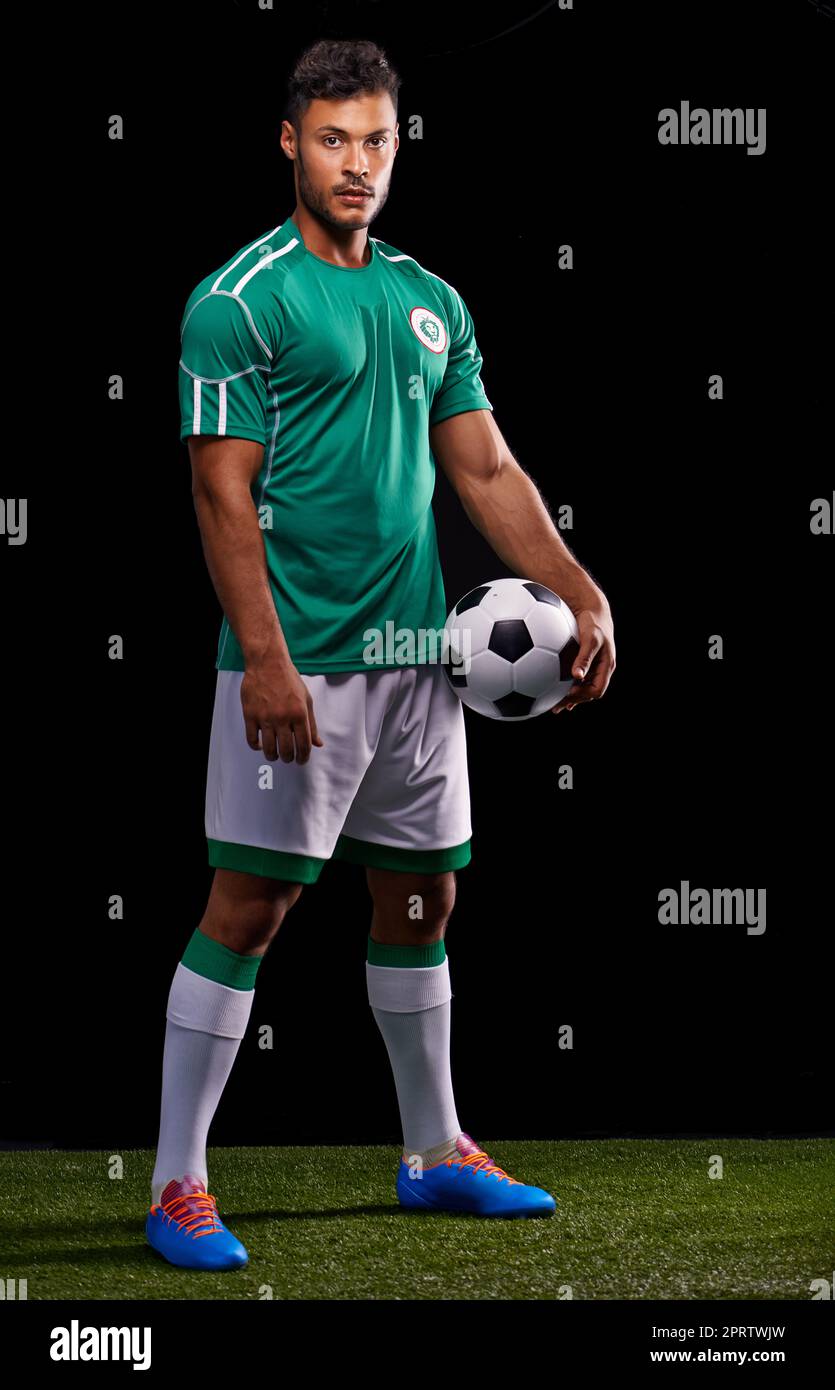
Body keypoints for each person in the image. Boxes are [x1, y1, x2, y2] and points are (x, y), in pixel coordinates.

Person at [147, 37, 616, 1270]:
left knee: (425, 896)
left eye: (378, 142)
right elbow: (218, 493)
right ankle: (176, 1183)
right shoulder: (238, 300)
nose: (357, 164)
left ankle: (433, 1150)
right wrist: (262, 657)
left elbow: (484, 468)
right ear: (289, 143)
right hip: (297, 664)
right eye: (334, 139)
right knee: (251, 908)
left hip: (423, 660)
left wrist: (576, 588)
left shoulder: (430, 299)